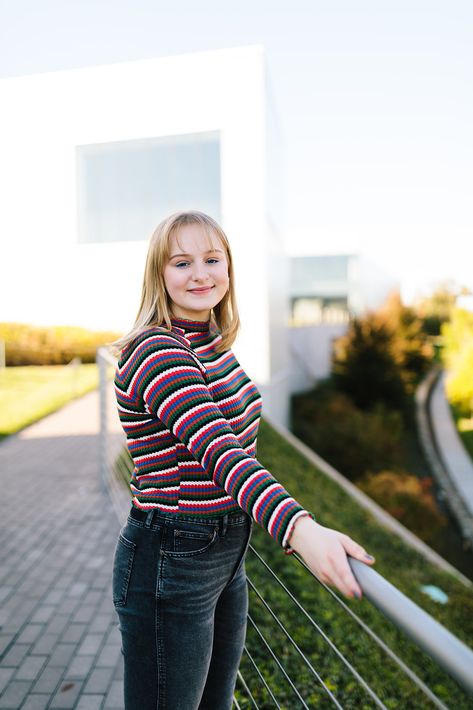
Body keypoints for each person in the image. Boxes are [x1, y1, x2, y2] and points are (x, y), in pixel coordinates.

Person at [112, 210, 375, 710]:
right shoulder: (156, 351)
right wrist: (301, 529)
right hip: (172, 555)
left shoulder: (213, 345)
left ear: (228, 270)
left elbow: (243, 446)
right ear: (158, 274)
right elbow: (222, 453)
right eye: (182, 262)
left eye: (213, 260)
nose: (200, 274)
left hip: (227, 550)